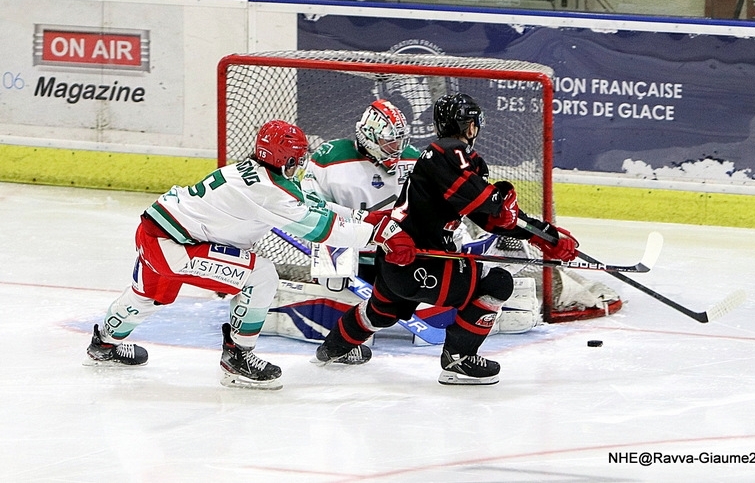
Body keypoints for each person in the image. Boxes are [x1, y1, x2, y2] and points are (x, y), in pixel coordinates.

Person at [84, 120, 391, 390]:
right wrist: (377, 235)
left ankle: (103, 345)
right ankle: (237, 357)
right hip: (174, 248)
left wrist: (363, 219)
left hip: (155, 232)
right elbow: (323, 230)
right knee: (261, 275)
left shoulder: (251, 173)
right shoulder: (269, 192)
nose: (299, 165)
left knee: (147, 296)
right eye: (297, 160)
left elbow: (313, 204)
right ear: (285, 160)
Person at [314, 93, 580, 385]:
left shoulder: (445, 157)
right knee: (497, 283)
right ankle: (459, 360)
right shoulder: (448, 153)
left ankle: (332, 349)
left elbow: (490, 218)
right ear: (469, 125)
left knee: (381, 312)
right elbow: (488, 203)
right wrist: (522, 218)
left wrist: (544, 236)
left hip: (397, 260)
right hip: (422, 260)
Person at [301, 98, 418, 283]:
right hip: (344, 252)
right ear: (369, 137)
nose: (396, 148)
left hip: (397, 254)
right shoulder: (329, 158)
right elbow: (311, 210)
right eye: (389, 141)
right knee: (332, 287)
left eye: (399, 141)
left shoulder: (413, 160)